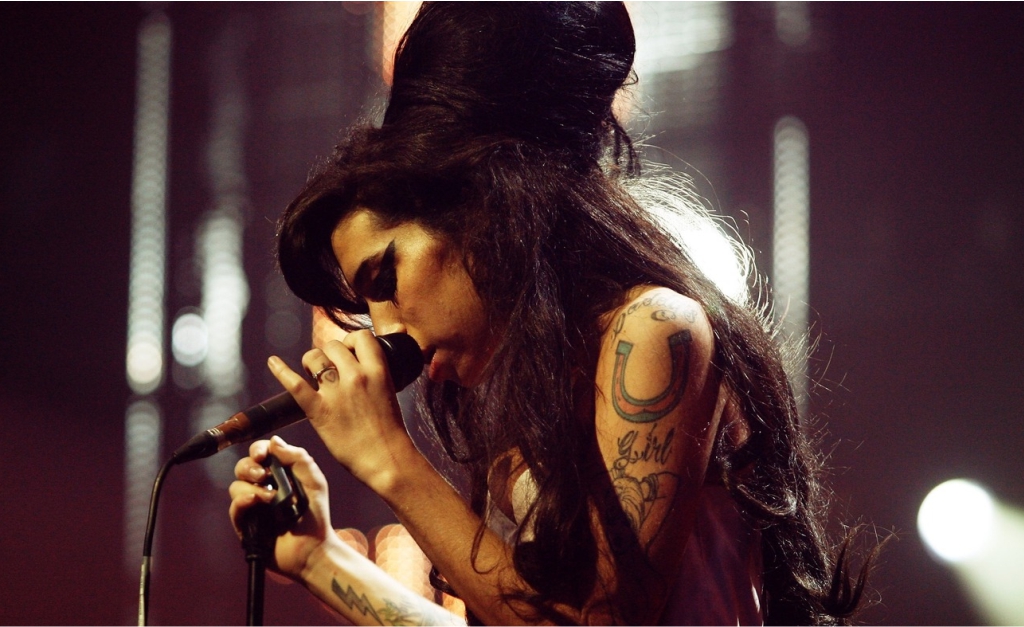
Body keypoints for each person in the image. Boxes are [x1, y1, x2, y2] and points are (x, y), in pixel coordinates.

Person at [228, 3, 873, 625]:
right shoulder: (528, 393)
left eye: (386, 278)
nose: (387, 327)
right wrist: (322, 560)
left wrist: (390, 461)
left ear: (475, 212)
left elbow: (598, 622)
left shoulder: (653, 330)